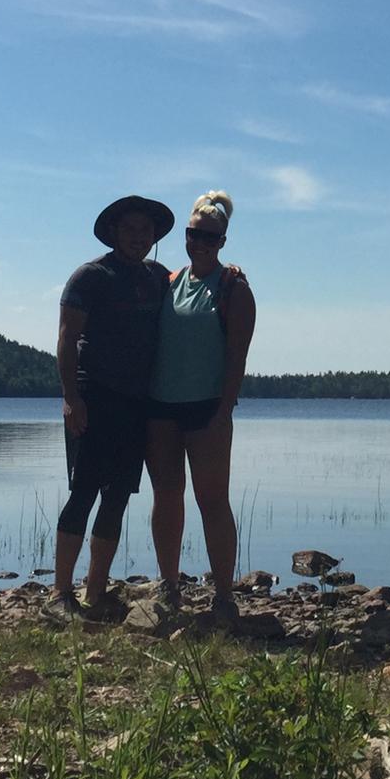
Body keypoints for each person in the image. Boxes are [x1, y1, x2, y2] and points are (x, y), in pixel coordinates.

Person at [53, 193, 174, 620]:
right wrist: (71, 398)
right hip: (93, 397)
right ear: (114, 232)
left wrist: (230, 274)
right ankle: (60, 596)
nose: (138, 237)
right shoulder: (90, 276)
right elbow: (67, 339)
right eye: (130, 229)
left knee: (118, 497)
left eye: (146, 230)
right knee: (83, 494)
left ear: (155, 236)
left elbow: (195, 280)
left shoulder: (158, 278)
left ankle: (96, 593)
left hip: (136, 404)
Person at [146, 189, 256, 621]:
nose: (200, 243)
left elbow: (237, 358)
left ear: (223, 242)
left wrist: (224, 411)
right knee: (166, 496)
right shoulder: (167, 283)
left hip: (208, 409)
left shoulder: (233, 288)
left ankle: (224, 595)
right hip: (160, 409)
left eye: (210, 238)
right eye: (194, 234)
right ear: (185, 236)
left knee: (213, 501)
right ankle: (169, 585)